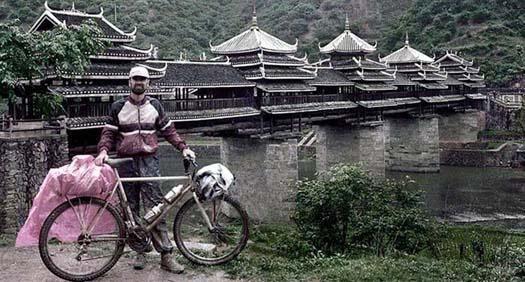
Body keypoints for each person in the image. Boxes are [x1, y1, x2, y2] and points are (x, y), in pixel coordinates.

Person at [94, 66, 195, 273]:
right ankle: (140, 250)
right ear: (129, 82)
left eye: (143, 79)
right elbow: (108, 133)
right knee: (130, 209)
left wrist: (183, 148)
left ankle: (166, 255)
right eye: (135, 79)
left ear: (148, 83)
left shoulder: (155, 105)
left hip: (149, 161)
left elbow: (169, 131)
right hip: (125, 162)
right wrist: (103, 151)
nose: (139, 82)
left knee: (156, 208)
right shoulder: (118, 107)